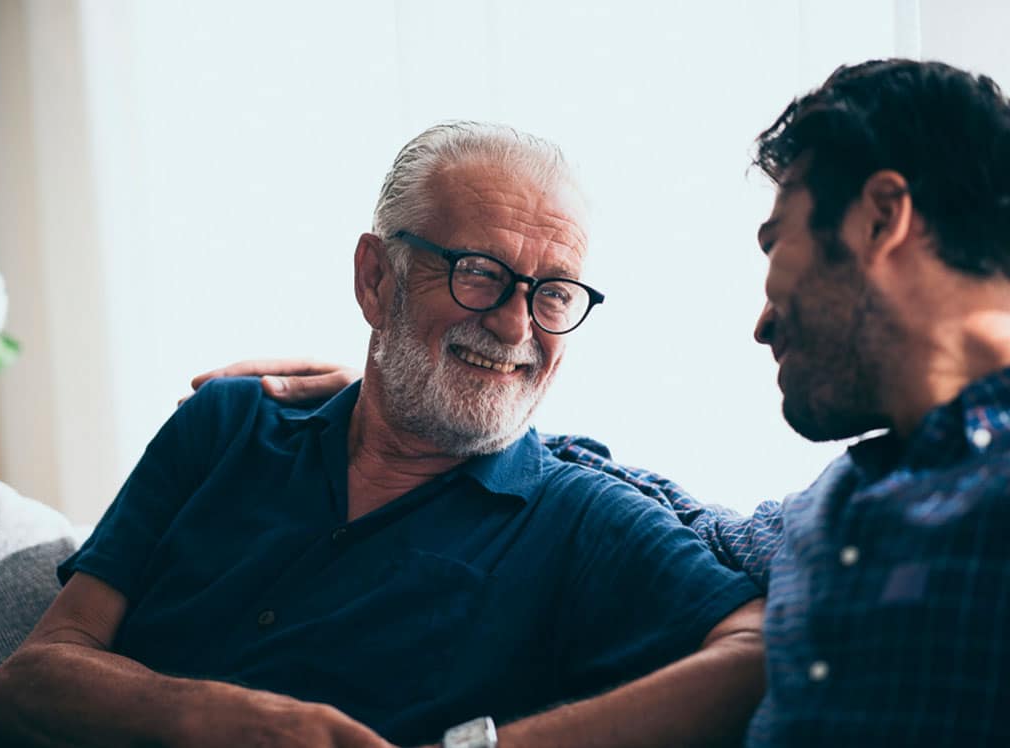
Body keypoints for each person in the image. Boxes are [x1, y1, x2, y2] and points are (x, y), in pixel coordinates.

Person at [207, 59, 1010, 746]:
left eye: (775, 243)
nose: (761, 319)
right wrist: (403, 384)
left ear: (880, 220)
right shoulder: (830, 512)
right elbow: (670, 517)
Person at [0, 122, 764, 748]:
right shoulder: (227, 424)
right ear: (375, 279)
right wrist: (241, 723)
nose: (515, 324)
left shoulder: (580, 519)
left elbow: (760, 654)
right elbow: (28, 682)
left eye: (553, 293)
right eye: (479, 272)